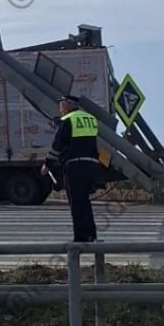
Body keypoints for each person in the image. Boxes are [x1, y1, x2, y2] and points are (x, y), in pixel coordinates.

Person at [41, 97, 99, 243]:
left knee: (77, 203)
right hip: (91, 165)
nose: (60, 109)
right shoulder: (90, 119)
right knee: (85, 201)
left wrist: (47, 164)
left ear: (67, 105)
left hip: (75, 166)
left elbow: (57, 145)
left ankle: (80, 239)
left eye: (61, 105)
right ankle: (91, 235)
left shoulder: (67, 120)